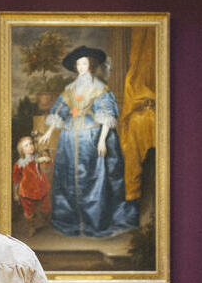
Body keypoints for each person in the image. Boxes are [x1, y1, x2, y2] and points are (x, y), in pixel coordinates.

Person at [40, 45, 138, 237]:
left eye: (84, 63)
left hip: (91, 137)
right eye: (78, 64)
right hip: (69, 137)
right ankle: (71, 221)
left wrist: (102, 140)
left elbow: (107, 115)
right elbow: (61, 111)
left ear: (91, 65)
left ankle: (95, 221)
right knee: (68, 178)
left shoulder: (100, 88)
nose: (81, 67)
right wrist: (49, 131)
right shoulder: (70, 89)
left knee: (94, 178)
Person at [13, 135, 51, 236]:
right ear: (21, 150)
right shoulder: (19, 164)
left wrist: (46, 160)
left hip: (41, 188)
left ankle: (46, 222)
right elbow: (16, 180)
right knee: (29, 211)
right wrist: (15, 193)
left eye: (31, 143)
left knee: (45, 208)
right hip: (27, 191)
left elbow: (47, 166)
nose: (30, 146)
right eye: (26, 145)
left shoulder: (38, 157)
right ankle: (31, 227)